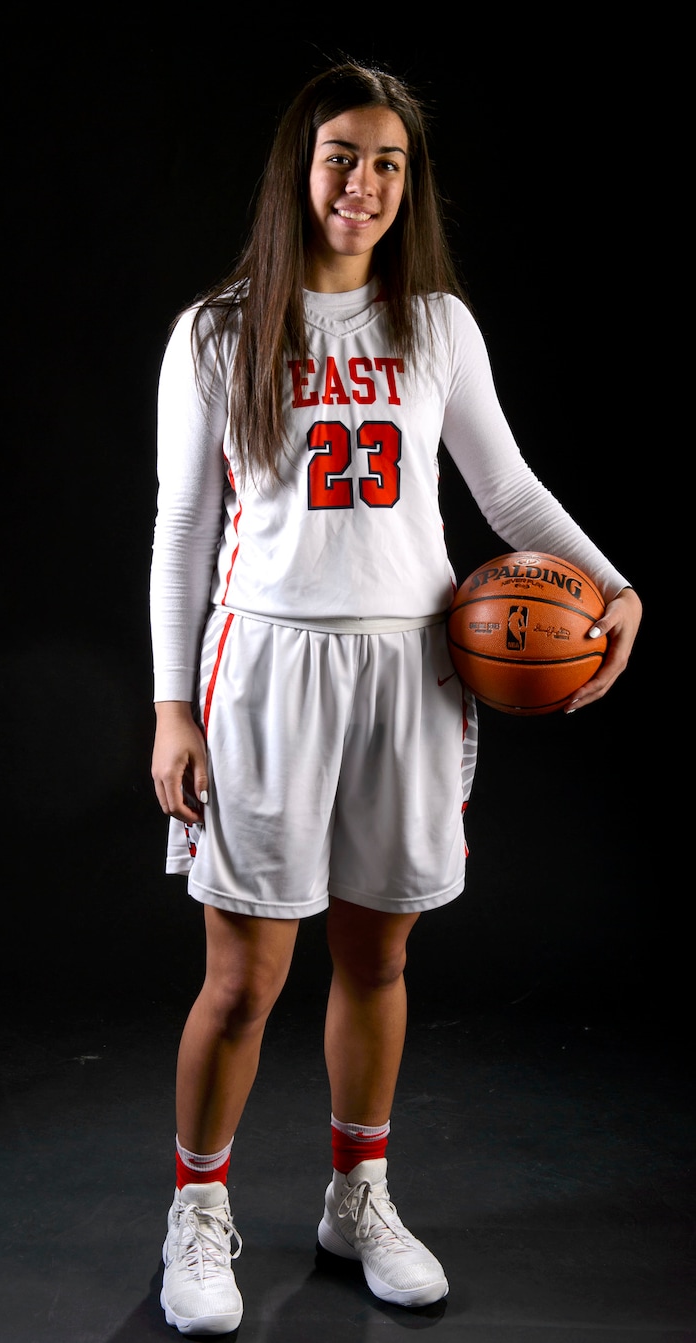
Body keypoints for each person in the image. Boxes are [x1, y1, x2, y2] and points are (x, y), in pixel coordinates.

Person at [150, 59, 642, 1336]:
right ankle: (197, 1207)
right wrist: (171, 706)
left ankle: (355, 1195)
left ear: (406, 183)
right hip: (265, 667)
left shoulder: (437, 326)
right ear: (298, 167)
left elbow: (507, 488)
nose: (362, 183)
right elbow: (182, 526)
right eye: (341, 156)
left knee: (379, 955)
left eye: (387, 163)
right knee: (243, 976)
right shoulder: (218, 330)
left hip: (411, 665)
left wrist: (609, 584)